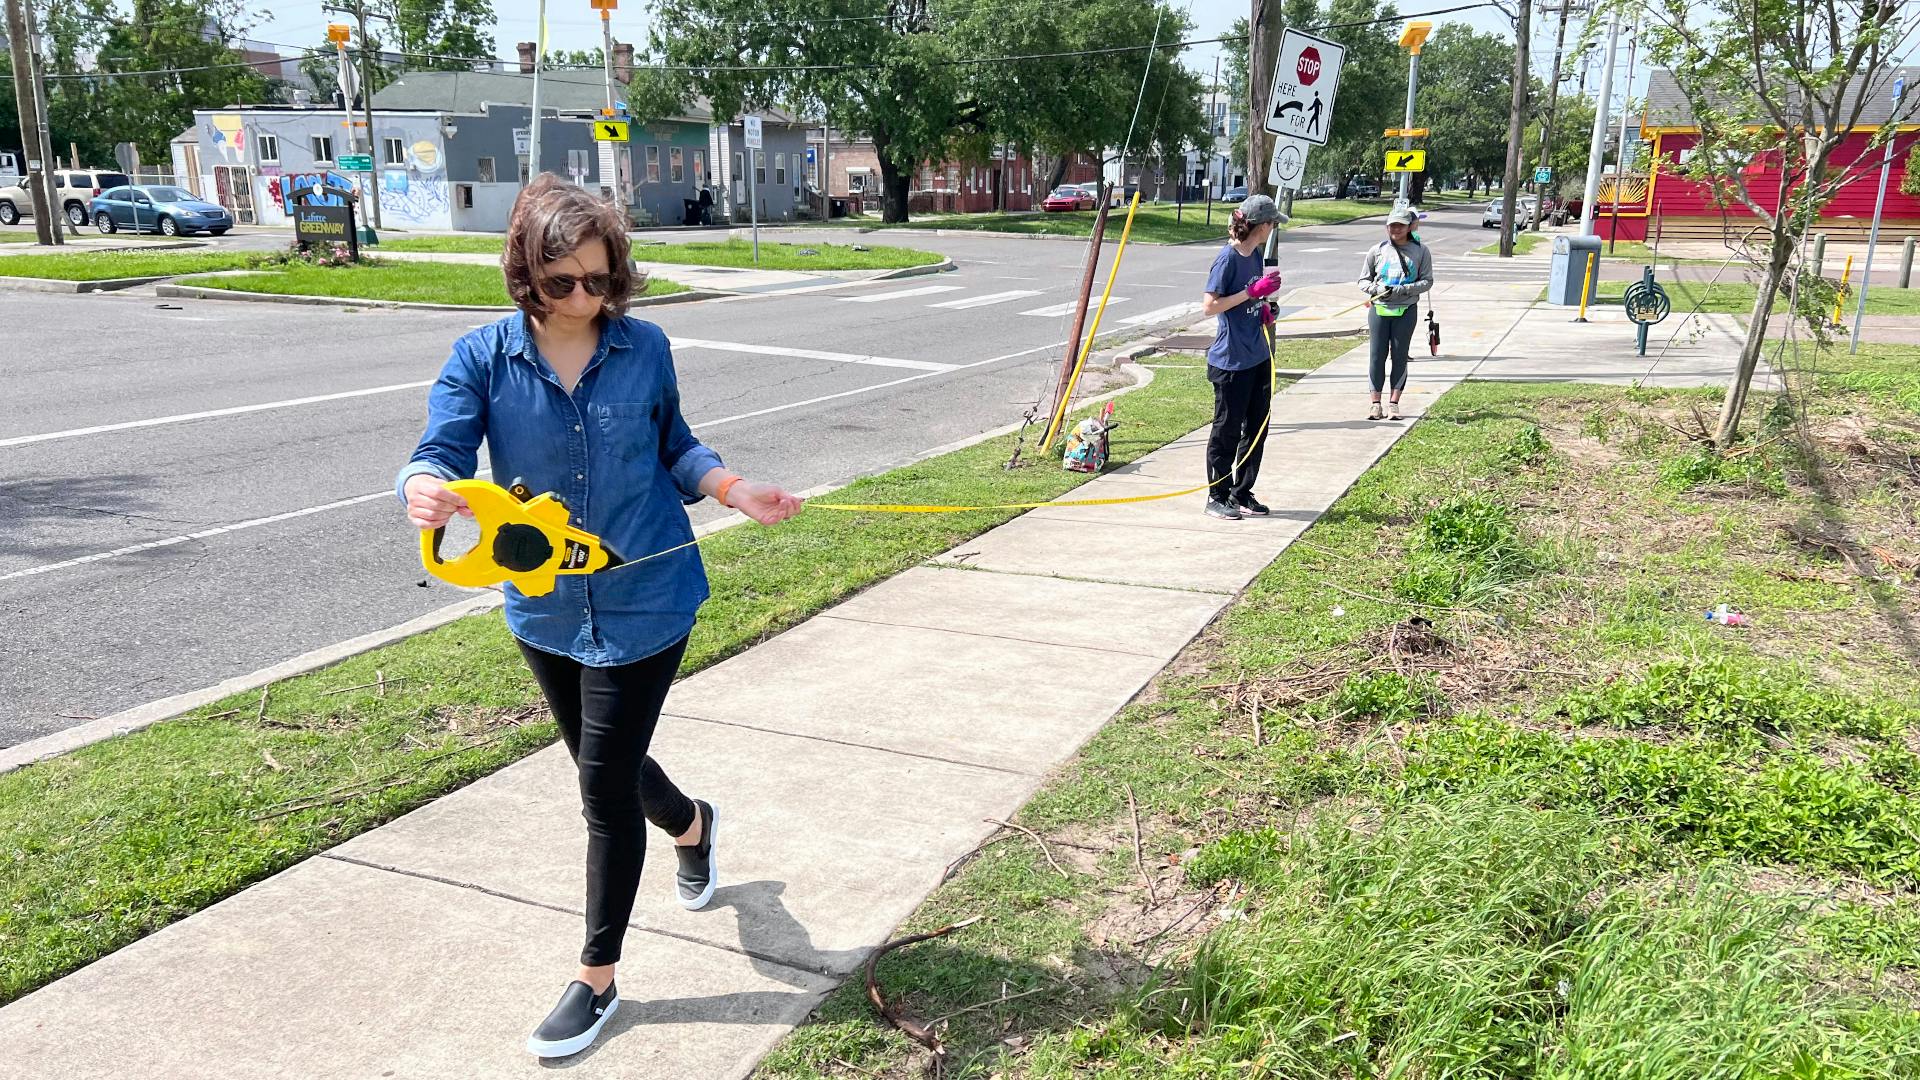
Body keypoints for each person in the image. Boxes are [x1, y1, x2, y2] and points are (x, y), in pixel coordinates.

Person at [396, 175, 803, 1060]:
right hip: (543, 605)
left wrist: (734, 489)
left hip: (650, 596)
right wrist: (423, 489)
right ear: (525, 276)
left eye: (600, 280)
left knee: (600, 790)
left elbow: (677, 447)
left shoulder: (644, 347)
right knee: (600, 759)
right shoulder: (481, 358)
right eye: (563, 282)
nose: (585, 299)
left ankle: (597, 979)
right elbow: (438, 452)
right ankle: (693, 822)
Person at [1198, 194, 1285, 522]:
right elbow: (1209, 306)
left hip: (1257, 355)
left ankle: (1241, 492)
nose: (1274, 228)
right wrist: (1250, 293)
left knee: (1258, 426)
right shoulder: (1227, 259)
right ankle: (1216, 496)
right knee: (1227, 429)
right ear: (1261, 226)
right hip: (1230, 360)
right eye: (1273, 223)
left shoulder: (1256, 254)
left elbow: (1251, 300)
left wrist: (1264, 308)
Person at [1357, 206, 1434, 420]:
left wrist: (1405, 289)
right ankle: (1375, 404)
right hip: (1380, 310)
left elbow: (1427, 281)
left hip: (1406, 310)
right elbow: (1363, 280)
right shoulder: (1377, 250)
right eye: (1392, 225)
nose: (1396, 229)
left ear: (1409, 227)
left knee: (1399, 356)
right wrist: (1377, 290)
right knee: (1376, 356)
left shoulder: (1420, 251)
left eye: (1400, 225)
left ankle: (1393, 403)